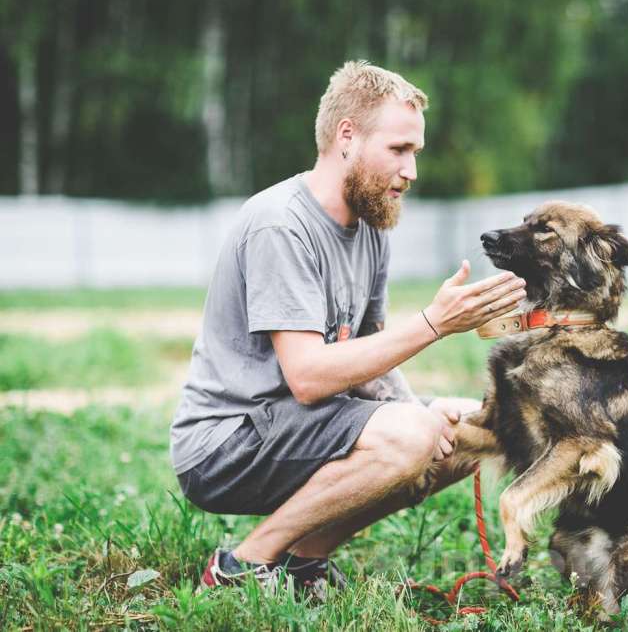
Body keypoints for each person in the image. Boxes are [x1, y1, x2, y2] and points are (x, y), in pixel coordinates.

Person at [170, 61, 526, 596]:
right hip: (226, 442)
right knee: (411, 434)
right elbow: (309, 378)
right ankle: (241, 565)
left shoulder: (370, 224)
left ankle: (303, 563)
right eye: (399, 150)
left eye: (415, 153)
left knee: (473, 427)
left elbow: (367, 356)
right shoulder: (281, 225)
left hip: (299, 423)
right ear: (347, 137)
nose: (411, 172)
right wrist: (434, 324)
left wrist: (424, 413)